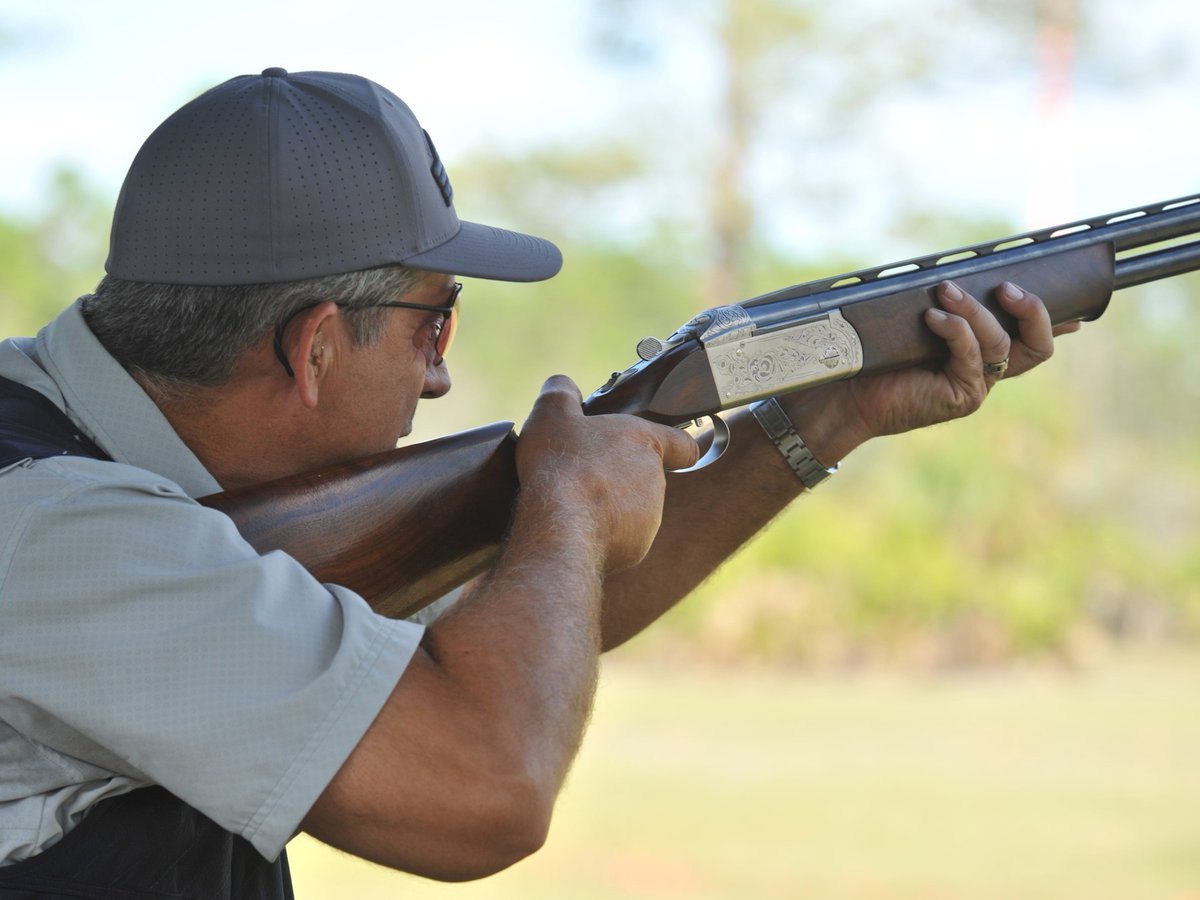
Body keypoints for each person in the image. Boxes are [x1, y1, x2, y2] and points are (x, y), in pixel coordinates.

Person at [0, 68, 1075, 896]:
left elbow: (513, 637)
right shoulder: (58, 532)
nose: (443, 375)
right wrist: (564, 503)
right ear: (316, 347)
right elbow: (484, 789)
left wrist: (825, 416)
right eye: (437, 322)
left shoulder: (128, 492)